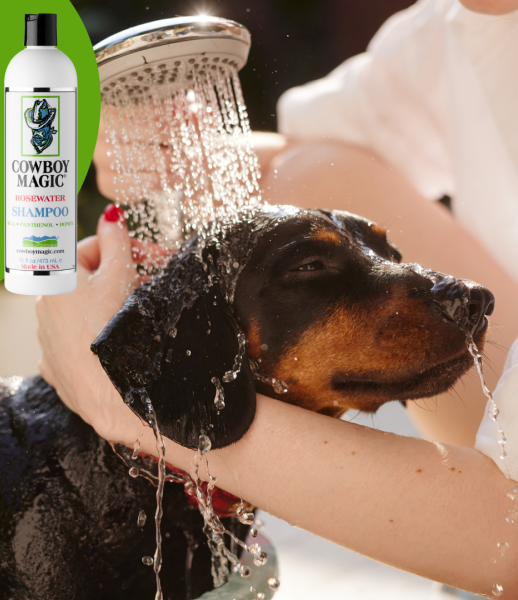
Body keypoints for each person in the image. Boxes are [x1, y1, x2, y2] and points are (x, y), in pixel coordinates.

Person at [36, 0, 518, 596]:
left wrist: (132, 407)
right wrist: (168, 151)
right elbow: (300, 162)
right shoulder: (459, 27)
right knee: (315, 167)